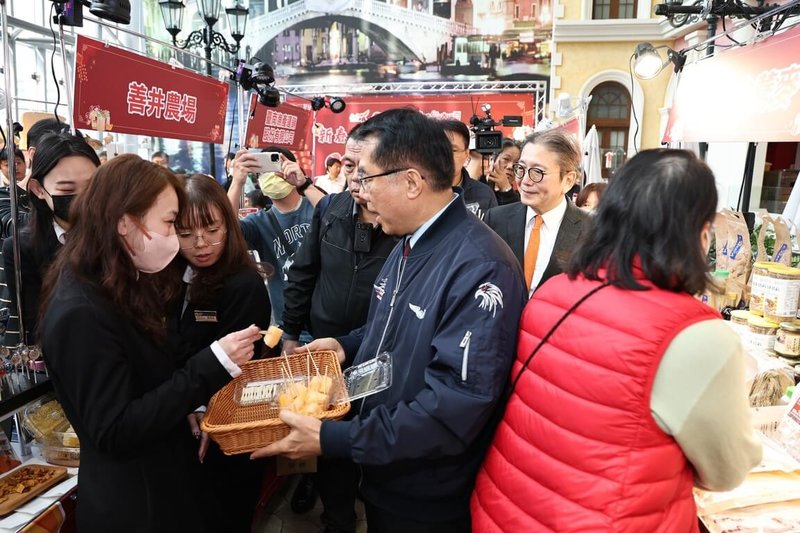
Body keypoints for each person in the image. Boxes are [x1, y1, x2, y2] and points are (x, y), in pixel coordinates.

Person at [251, 108, 527, 532]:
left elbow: (453, 407)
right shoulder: (408, 241)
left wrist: (332, 439)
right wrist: (346, 344)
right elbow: (394, 326)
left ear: (412, 181)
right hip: (385, 463)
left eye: (366, 177)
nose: (357, 191)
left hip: (426, 486)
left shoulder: (480, 268)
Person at [471, 149, 763, 532]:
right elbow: (726, 470)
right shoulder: (695, 336)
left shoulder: (553, 292)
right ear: (701, 232)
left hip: (509, 510)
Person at [39, 154, 262, 533]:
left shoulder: (116, 285)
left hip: (162, 485)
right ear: (125, 221)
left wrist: (183, 404)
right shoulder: (81, 309)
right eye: (171, 223)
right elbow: (114, 429)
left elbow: (145, 382)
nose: (179, 239)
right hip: (135, 506)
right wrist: (209, 365)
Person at [281, 126, 398, 532]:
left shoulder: (401, 225)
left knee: (370, 433)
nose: (354, 176)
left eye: (363, 168)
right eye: (348, 165)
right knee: (327, 436)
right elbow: (302, 273)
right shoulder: (328, 209)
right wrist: (291, 333)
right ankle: (337, 518)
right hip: (324, 348)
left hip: (379, 350)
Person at [167, 174, 271, 533]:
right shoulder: (169, 276)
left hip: (230, 427)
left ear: (229, 223)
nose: (201, 243)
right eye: (186, 233)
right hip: (184, 420)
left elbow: (239, 366)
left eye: (212, 229)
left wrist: (201, 408)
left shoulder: (243, 283)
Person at [3, 132, 100, 343]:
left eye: (92, 187)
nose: (83, 199)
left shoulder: (115, 237)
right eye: (67, 189)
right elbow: (34, 321)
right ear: (38, 189)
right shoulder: (22, 248)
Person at [484, 129, 590, 295]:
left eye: (537, 172)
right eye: (521, 168)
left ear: (568, 181)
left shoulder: (592, 230)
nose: (525, 181)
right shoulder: (496, 219)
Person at [227, 147, 319, 332]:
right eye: (262, 172)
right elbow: (225, 229)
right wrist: (237, 182)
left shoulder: (317, 207)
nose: (270, 176)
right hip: (289, 327)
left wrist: (304, 184)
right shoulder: (259, 223)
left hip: (325, 321)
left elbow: (340, 216)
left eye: (275, 167)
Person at [440, 120, 497, 219]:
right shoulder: (419, 192)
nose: (446, 155)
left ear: (466, 154)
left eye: (454, 150)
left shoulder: (484, 194)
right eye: (440, 149)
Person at [481, 138, 521, 205]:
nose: (510, 166)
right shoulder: (477, 190)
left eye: (516, 163)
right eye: (506, 159)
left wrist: (506, 188)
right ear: (492, 159)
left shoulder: (520, 199)